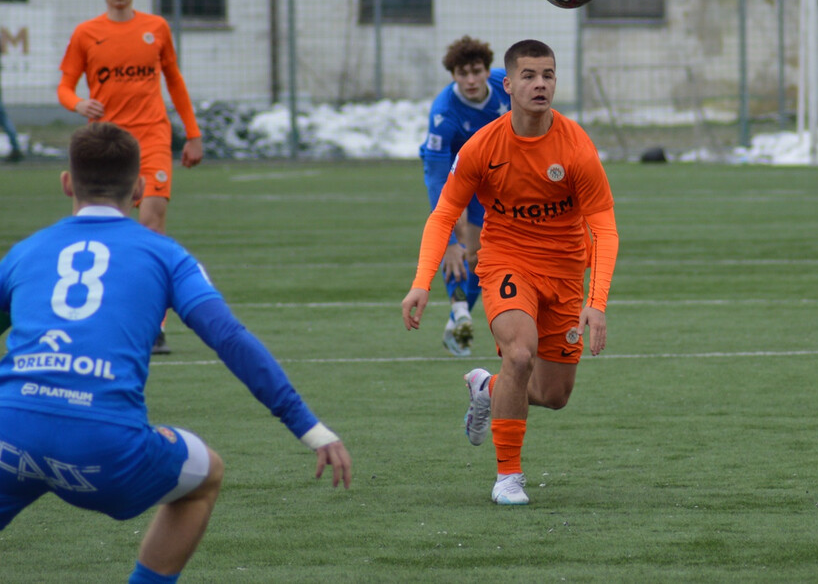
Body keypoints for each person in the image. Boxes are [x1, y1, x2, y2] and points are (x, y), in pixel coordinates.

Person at [0, 122, 352, 584]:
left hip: (10, 431)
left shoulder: (23, 254)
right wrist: (309, 428)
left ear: (67, 182)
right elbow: (229, 338)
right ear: (141, 188)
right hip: (104, 445)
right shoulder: (167, 256)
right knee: (205, 476)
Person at [402, 39, 619, 505]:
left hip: (563, 272)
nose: (540, 84)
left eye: (548, 75)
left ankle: (488, 388)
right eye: (529, 75)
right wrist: (422, 283)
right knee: (520, 355)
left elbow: (604, 227)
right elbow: (444, 215)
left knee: (554, 394)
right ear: (510, 83)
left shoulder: (577, 148)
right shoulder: (483, 146)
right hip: (506, 261)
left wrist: (595, 303)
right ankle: (508, 478)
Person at [58, 0, 205, 353]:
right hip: (105, 143)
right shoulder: (87, 33)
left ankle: (152, 325)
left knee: (151, 224)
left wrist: (192, 134)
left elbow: (174, 81)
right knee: (97, 227)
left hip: (152, 139)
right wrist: (78, 105)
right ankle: (92, 314)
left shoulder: (155, 28)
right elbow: (65, 86)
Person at [419, 35, 510, 357]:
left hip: (495, 177)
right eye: (462, 73)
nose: (470, 80)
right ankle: (459, 311)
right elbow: (436, 177)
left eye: (476, 71)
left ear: (488, 70)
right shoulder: (444, 114)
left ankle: (457, 320)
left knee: (478, 256)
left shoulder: (505, 85)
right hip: (458, 179)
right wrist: (447, 242)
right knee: (458, 249)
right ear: (453, 75)